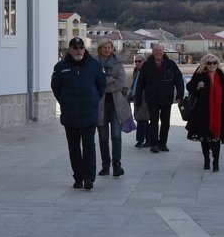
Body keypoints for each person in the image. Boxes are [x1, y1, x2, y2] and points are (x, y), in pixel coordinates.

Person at [50, 37, 105, 190]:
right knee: (74, 147)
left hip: (89, 113)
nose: (78, 50)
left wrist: (94, 100)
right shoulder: (61, 67)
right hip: (70, 114)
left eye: (81, 47)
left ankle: (88, 178)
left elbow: (101, 85)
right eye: (75, 47)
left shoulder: (94, 65)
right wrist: (64, 101)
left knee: (89, 146)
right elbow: (56, 87)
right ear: (69, 50)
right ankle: (78, 177)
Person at [185, 54, 224, 172]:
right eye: (209, 63)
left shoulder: (223, 78)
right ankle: (206, 159)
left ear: (217, 64)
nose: (212, 65)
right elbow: (189, 87)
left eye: (214, 63)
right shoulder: (200, 76)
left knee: (216, 137)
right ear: (205, 65)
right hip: (203, 112)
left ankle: (216, 162)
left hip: (220, 112)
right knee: (205, 137)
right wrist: (198, 86)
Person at [134, 43, 184, 153]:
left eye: (160, 50)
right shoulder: (146, 65)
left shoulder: (171, 64)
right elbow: (140, 84)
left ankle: (163, 143)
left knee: (165, 122)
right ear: (152, 52)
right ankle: (154, 144)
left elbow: (179, 80)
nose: (158, 52)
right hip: (152, 98)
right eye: (156, 50)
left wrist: (180, 95)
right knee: (154, 121)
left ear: (163, 51)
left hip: (166, 98)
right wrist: (138, 100)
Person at [94, 40, 133, 178]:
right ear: (100, 49)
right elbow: (94, 81)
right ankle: (105, 166)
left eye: (109, 47)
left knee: (116, 136)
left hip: (116, 105)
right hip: (100, 105)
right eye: (104, 47)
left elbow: (121, 82)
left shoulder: (118, 62)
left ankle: (117, 165)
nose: (107, 50)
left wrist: (105, 84)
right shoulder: (94, 63)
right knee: (103, 138)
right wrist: (111, 79)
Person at [129, 53, 150, 148]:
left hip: (144, 97)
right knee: (142, 119)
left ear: (144, 62)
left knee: (142, 118)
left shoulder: (147, 71)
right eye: (136, 61)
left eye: (139, 61)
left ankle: (140, 140)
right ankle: (149, 139)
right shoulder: (136, 71)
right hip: (136, 97)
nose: (137, 63)